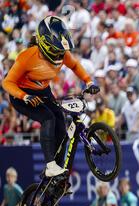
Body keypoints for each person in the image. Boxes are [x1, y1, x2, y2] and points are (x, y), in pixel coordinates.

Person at [1, 16, 100, 178]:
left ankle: (58, 172)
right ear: (45, 44)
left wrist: (89, 82)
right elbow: (7, 83)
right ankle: (50, 166)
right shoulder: (27, 56)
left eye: (62, 51)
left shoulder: (62, 53)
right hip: (22, 95)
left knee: (61, 125)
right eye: (57, 50)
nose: (60, 55)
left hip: (43, 91)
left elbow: (75, 65)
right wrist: (24, 96)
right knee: (48, 118)